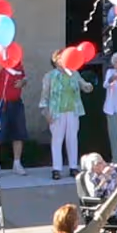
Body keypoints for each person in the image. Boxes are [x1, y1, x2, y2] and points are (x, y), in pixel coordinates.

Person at [41, 49, 91, 179]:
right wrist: (45, 112)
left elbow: (83, 85)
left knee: (72, 139)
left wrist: (88, 86)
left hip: (72, 111)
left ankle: (73, 167)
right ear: (55, 61)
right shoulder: (49, 76)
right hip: (57, 112)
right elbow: (45, 96)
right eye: (60, 57)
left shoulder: (74, 73)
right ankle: (56, 169)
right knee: (57, 140)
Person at [0, 47, 29, 175]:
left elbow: (24, 77)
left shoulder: (18, 63)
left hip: (15, 102)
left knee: (18, 133)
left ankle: (17, 163)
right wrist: (4, 61)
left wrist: (22, 82)